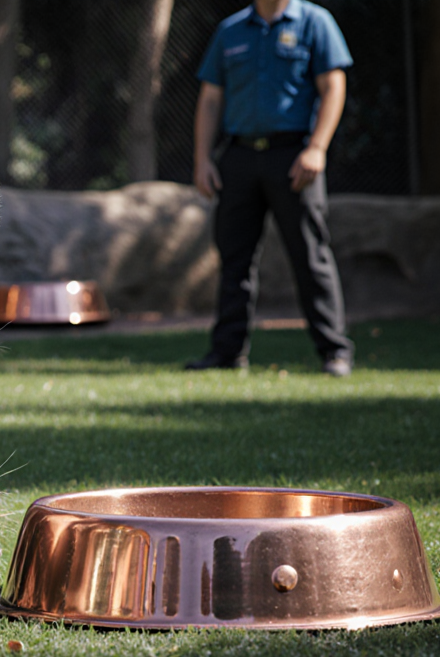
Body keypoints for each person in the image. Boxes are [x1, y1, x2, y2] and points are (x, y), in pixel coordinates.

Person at [187, 0, 354, 377]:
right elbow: (211, 98)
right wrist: (202, 160)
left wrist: (317, 148)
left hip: (294, 156)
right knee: (234, 258)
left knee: (310, 255)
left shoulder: (315, 23)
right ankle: (227, 352)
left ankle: (334, 351)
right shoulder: (231, 30)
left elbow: (333, 87)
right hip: (239, 156)